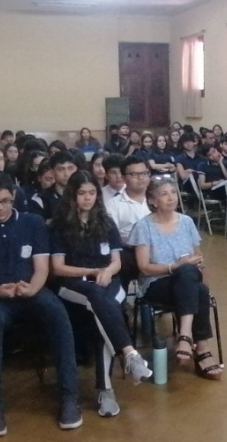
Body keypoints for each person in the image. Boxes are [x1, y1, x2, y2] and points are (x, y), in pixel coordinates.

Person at [0, 172, 83, 437]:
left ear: (14, 197)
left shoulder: (32, 223)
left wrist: (32, 288)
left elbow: (41, 268)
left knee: (57, 313)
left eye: (5, 201)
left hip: (32, 290)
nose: (0, 208)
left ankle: (69, 397)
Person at [50, 171, 153, 417]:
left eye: (92, 193)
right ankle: (129, 355)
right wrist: (93, 271)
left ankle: (106, 390)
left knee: (102, 315)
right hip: (74, 285)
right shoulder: (60, 226)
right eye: (82, 193)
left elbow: (116, 261)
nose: (88, 198)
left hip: (109, 282)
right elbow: (58, 268)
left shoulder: (106, 222)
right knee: (100, 301)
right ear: (72, 196)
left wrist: (107, 271)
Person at [130, 178, 222, 380]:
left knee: (191, 274)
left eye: (173, 192)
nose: (171, 198)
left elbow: (198, 257)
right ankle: (201, 347)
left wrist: (194, 266)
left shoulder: (186, 222)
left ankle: (185, 336)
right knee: (197, 288)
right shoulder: (143, 226)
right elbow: (144, 267)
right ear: (152, 200)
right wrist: (174, 266)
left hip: (187, 280)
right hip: (157, 283)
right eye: (164, 194)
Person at [105, 156, 152, 292]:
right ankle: (121, 299)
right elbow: (112, 237)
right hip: (130, 252)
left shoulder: (157, 199)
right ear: (124, 177)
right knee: (120, 258)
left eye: (144, 173)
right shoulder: (113, 205)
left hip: (158, 249)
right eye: (135, 174)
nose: (141, 178)